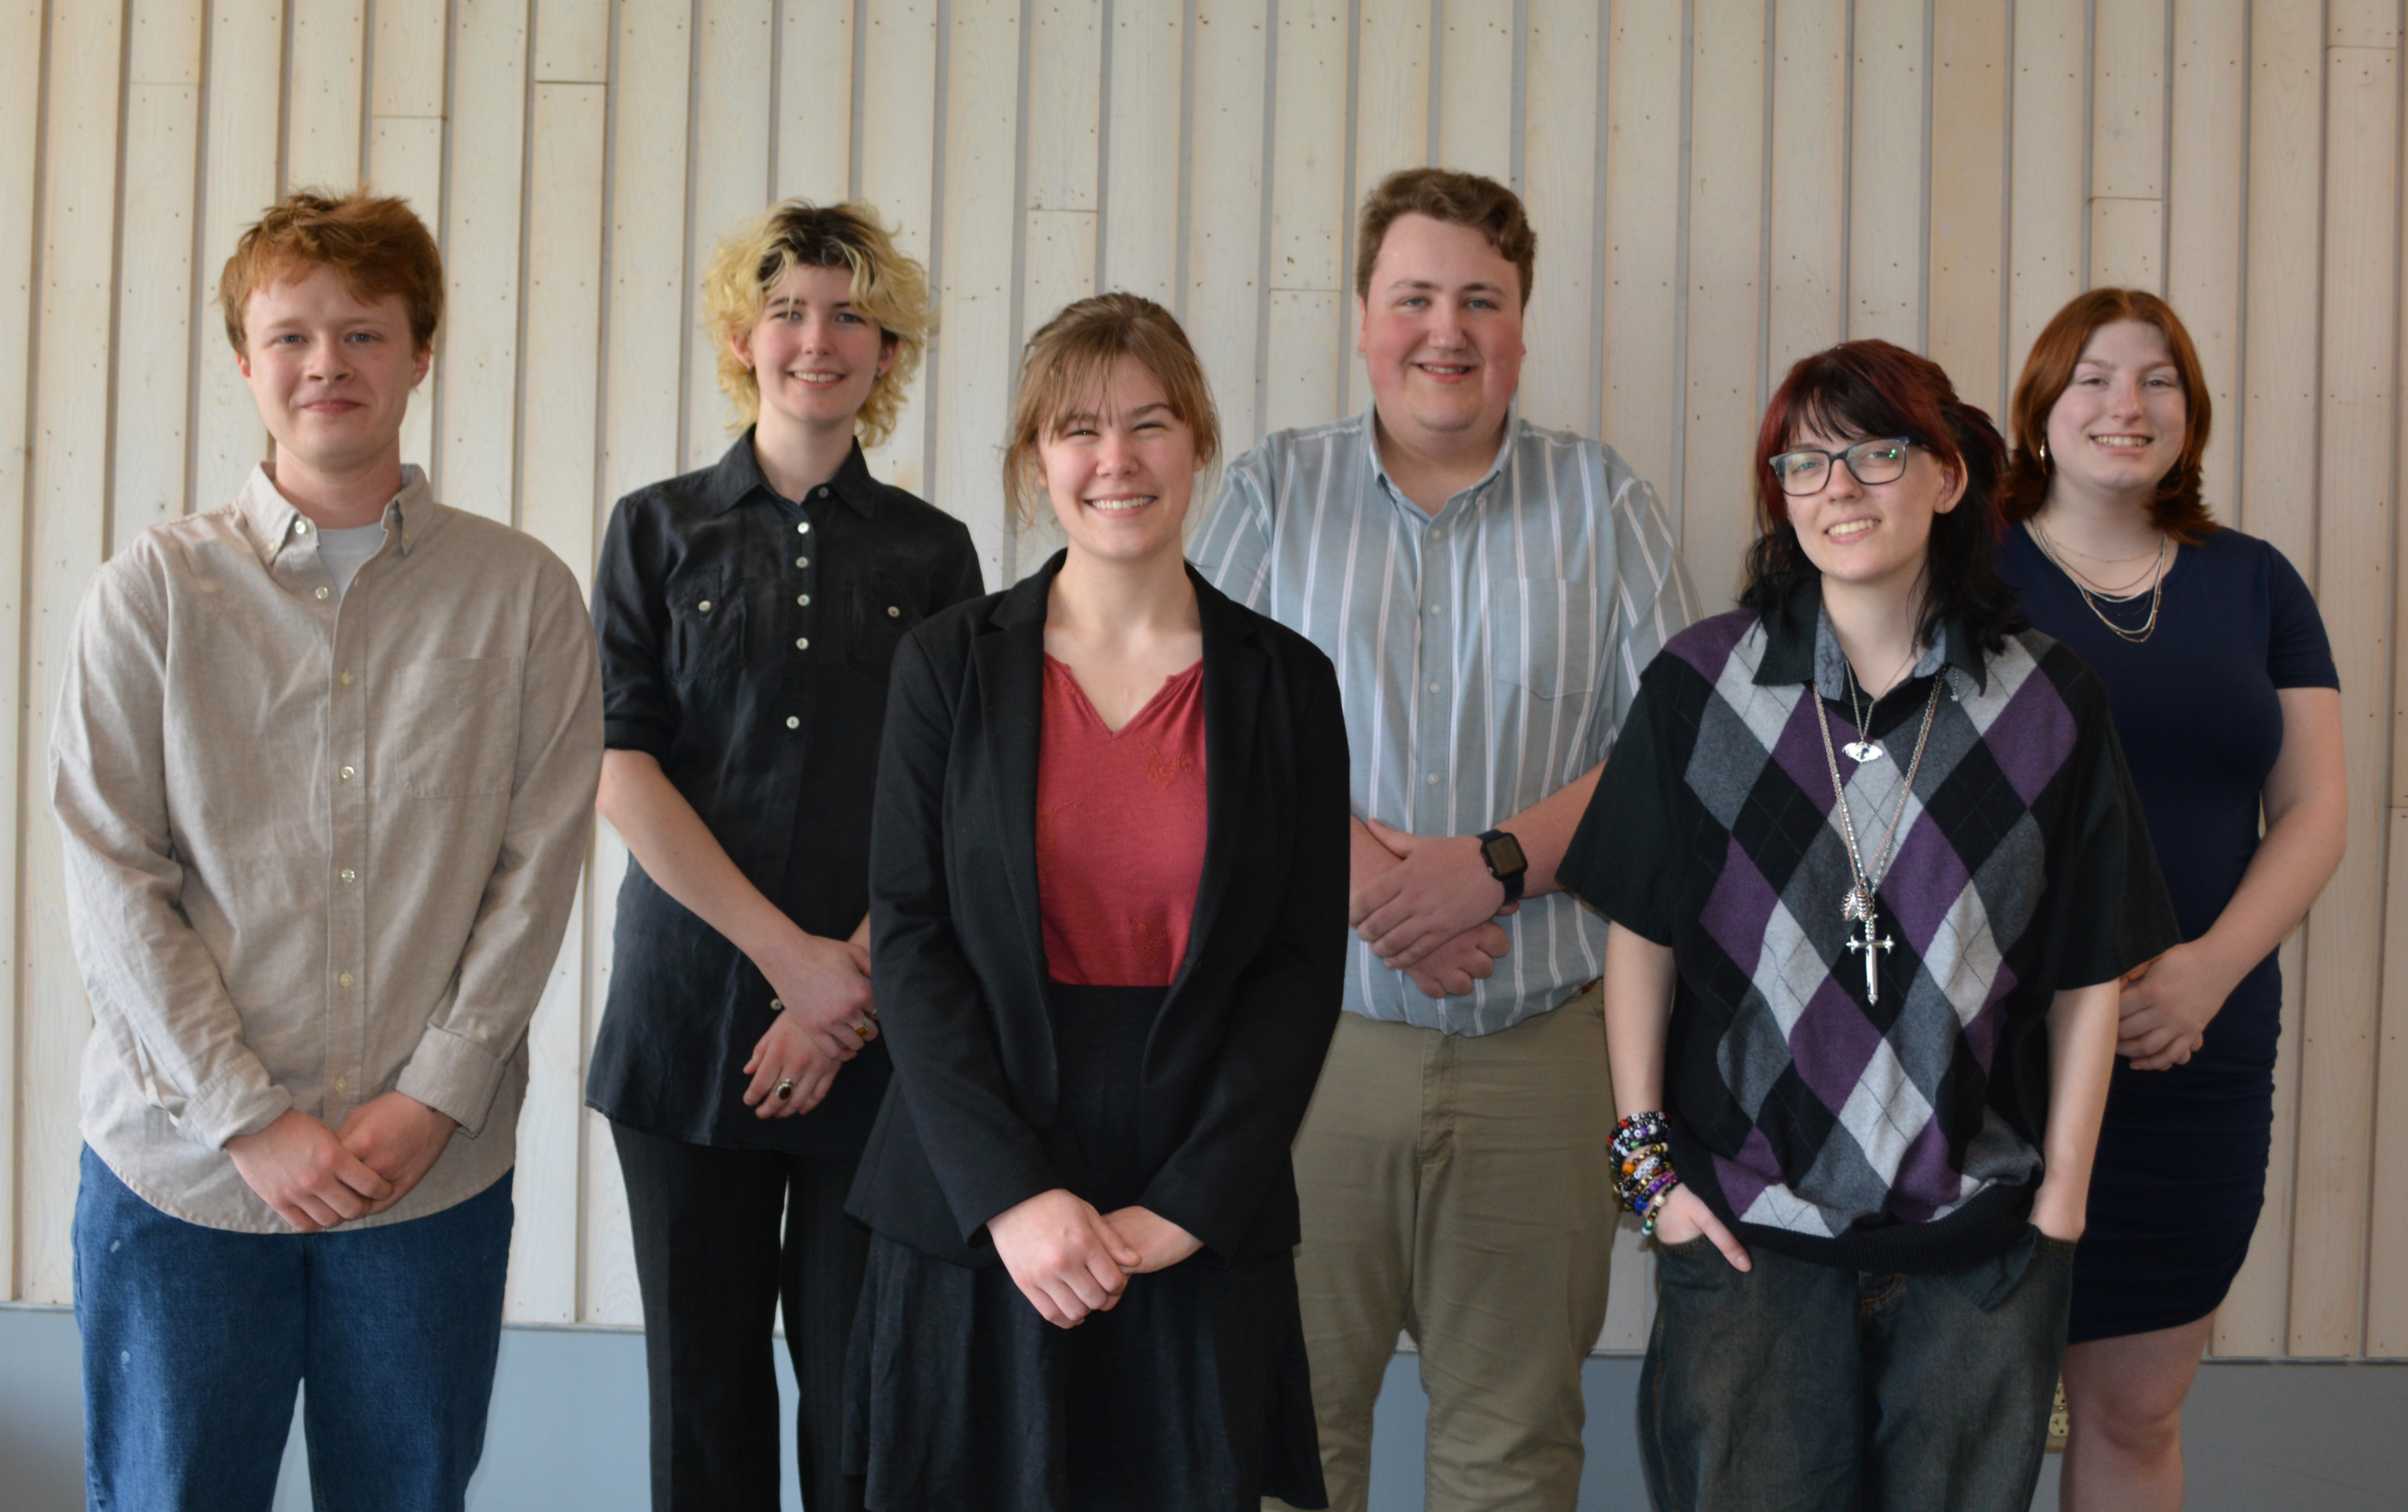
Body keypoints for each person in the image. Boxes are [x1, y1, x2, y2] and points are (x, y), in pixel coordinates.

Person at [1561, 339, 2182, 1511]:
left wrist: (2059, 1210)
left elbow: (2087, 973)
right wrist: (1648, 1174)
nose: (1836, 489)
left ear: (1949, 478)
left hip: (1978, 1241)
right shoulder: (1701, 688)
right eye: (1801, 465)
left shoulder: (2047, 704)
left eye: (1874, 454)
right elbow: (1641, 934)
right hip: (1747, 1229)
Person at [54, 190, 602, 1512]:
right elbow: (112, 878)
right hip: (182, 1180)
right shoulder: (152, 594)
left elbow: (536, 869)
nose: (326, 365)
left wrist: (435, 1095)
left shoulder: (522, 596)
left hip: (427, 1182)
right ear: (245, 363)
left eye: (363, 333)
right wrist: (250, 1119)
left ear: (421, 352)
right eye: (290, 335)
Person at [1188, 167, 1697, 1510]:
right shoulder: (1272, 497)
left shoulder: (1606, 505)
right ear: (1363, 316)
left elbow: (1675, 748)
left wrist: (1492, 867)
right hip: (1309, 1055)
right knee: (1287, 1443)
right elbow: (1198, 722)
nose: (1447, 330)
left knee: (1515, 1453)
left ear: (1524, 325)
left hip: (1538, 1057)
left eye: (1482, 299)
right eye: (1414, 296)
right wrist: (1364, 874)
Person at [844, 292, 1348, 1512]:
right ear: (1033, 461)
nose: (1114, 460)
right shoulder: (946, 666)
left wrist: (1184, 1209)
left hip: (1188, 1200)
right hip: (977, 1201)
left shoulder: (1285, 683)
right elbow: (911, 945)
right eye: (1077, 428)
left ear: (1198, 444)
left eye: (1149, 423)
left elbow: (1296, 970)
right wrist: (1012, 1200)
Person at [584, 200, 981, 1512]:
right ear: (744, 338)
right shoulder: (655, 530)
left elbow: (957, 798)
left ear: (888, 347)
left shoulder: (935, 555)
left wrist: (845, 992)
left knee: (864, 1398)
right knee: (702, 1403)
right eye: (793, 310)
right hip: (685, 1025)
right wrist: (790, 966)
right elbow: (619, 767)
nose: (821, 337)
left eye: (852, 313)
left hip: (879, 1044)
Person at [1994, 290, 2346, 1510]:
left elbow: (2313, 811)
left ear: (2188, 418)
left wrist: (2204, 971)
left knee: (2136, 1414)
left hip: (2193, 1046)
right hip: (1993, 1053)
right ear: (2038, 408)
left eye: (2157, 381)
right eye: (2091, 376)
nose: (2124, 405)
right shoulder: (1961, 575)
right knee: (1956, 1410)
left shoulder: (2253, 584)